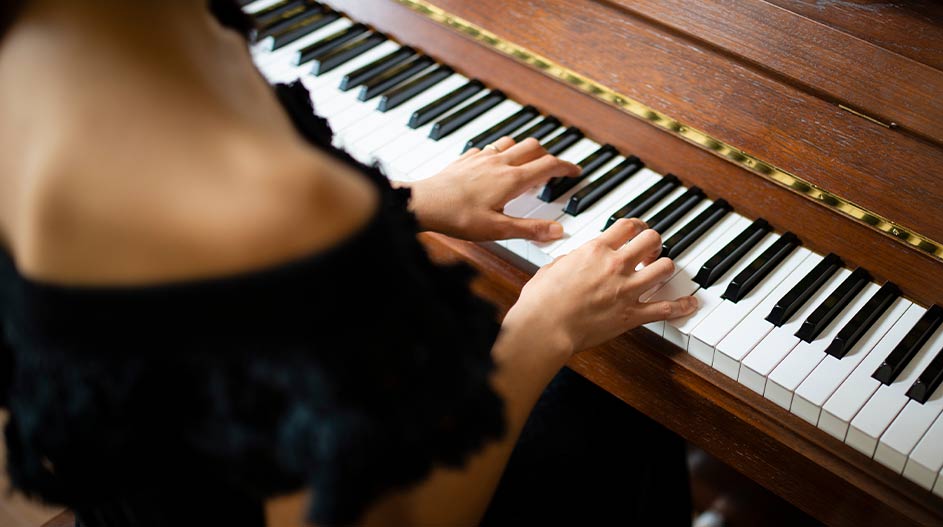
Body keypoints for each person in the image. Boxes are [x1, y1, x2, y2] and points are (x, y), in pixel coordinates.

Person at [0, 1, 698, 525]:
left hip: (158, 478)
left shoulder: (39, 51)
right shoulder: (262, 202)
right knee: (617, 401)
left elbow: (192, 297)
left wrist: (406, 201)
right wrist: (546, 323)